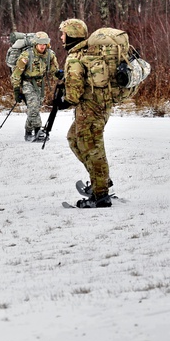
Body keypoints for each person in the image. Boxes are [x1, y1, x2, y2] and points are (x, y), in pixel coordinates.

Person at [56, 18, 113, 208]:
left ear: (71, 35)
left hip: (90, 110)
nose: (61, 37)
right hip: (101, 107)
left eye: (63, 34)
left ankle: (100, 195)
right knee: (74, 138)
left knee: (93, 149)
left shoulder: (75, 58)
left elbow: (73, 95)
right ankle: (101, 180)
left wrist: (62, 102)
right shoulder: (89, 52)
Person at [10, 31, 60, 142]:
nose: (42, 46)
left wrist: (60, 75)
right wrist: (17, 90)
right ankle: (38, 131)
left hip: (40, 84)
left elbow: (54, 71)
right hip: (27, 82)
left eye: (44, 44)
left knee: (35, 109)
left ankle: (28, 131)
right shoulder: (26, 55)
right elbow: (16, 74)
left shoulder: (50, 55)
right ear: (35, 44)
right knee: (33, 108)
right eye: (40, 44)